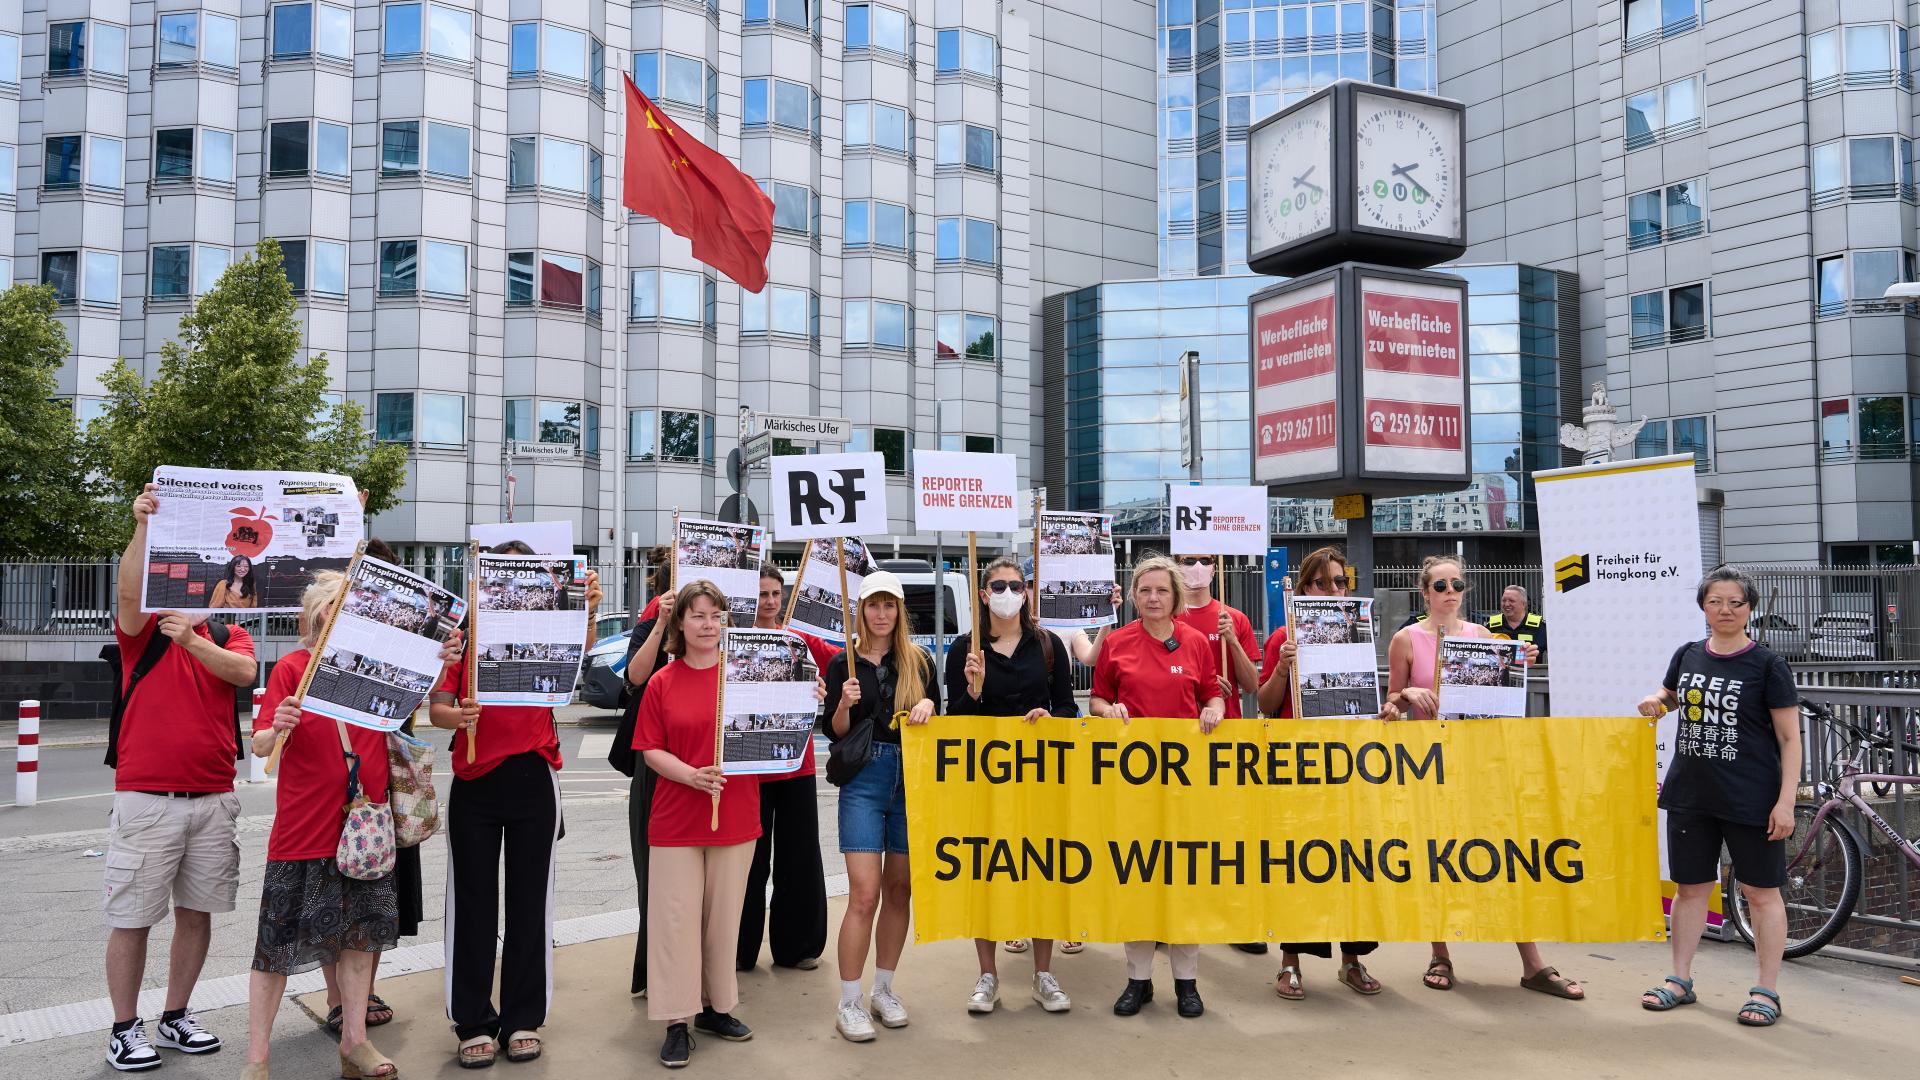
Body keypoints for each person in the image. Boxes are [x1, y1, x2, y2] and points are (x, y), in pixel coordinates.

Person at [243, 571, 459, 1080]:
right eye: (335, 611)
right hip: (303, 830)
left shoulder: (380, 670)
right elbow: (258, 745)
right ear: (318, 617)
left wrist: (442, 660)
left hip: (367, 829)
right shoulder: (294, 669)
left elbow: (427, 686)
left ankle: (355, 1043)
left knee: (361, 943)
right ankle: (257, 1058)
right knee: (274, 948)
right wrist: (277, 728)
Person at [429, 540, 602, 1068]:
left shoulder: (550, 629)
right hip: (475, 781)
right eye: (498, 580)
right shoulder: (464, 638)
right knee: (472, 904)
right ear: (485, 584)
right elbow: (436, 707)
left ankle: (523, 1017)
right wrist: (455, 718)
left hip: (533, 776)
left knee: (531, 903)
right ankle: (472, 1020)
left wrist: (588, 610)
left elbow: (574, 669)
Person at [103, 484, 257, 1072]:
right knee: (133, 916)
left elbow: (243, 673)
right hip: (147, 795)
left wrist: (194, 638)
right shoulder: (140, 628)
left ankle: (175, 1015)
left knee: (198, 912)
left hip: (214, 794)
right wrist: (142, 524)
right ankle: (124, 1028)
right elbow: (125, 588)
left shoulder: (223, 630)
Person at [1382, 555, 1577, 1000]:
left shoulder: (1482, 636)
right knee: (1438, 862)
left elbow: (1500, 695)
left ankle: (1532, 963)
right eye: (1440, 585)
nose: (1450, 591)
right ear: (1424, 591)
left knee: (1502, 859)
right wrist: (1406, 694)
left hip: (1478, 766)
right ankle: (1440, 954)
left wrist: (1522, 658)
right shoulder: (1405, 640)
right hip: (1429, 768)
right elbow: (1390, 704)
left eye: (1457, 585)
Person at [1637, 565, 1799, 1027]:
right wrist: (1655, 701)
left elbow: (1790, 739)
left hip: (1752, 798)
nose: (1725, 610)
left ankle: (1767, 990)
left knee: (1761, 893)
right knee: (1690, 890)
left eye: (1735, 602)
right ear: (1703, 607)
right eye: (1715, 601)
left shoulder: (1768, 665)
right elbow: (1669, 697)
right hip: (1690, 794)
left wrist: (1785, 801)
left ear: (1750, 608)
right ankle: (1678, 980)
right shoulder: (1688, 653)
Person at [633, 581, 784, 1067]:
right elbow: (650, 749)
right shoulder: (662, 681)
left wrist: (809, 695)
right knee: (674, 922)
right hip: (676, 818)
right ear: (680, 622)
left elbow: (779, 727)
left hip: (736, 815)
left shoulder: (746, 677)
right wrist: (692, 777)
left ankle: (717, 1008)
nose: (707, 624)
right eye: (697, 615)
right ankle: (677, 1019)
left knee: (724, 920)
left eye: (715, 615)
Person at [943, 555, 1080, 1015]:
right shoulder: (965, 649)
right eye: (997, 585)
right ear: (983, 594)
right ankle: (988, 974)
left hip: (1041, 778)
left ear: (1026, 591)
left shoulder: (1048, 646)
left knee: (1043, 870)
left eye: (1015, 585)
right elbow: (954, 722)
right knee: (987, 871)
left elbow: (1068, 709)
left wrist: (1048, 716)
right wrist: (973, 693)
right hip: (985, 782)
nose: (1007, 592)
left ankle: (1043, 973)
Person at [1090, 555, 1224, 1020]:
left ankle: (1187, 983)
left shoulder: (1195, 643)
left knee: (1184, 880)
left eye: (1161, 590)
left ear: (1175, 595)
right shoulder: (1117, 644)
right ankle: (1138, 980)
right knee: (1138, 878)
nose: (1152, 598)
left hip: (1185, 785)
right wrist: (1109, 713)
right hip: (1132, 784)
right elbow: (1098, 698)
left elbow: (1212, 692)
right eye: (1144, 590)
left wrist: (1215, 709)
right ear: (1133, 596)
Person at [1253, 545, 1384, 998]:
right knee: (1299, 864)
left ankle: (1353, 960)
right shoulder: (1282, 638)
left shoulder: (1357, 631)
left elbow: (1366, 698)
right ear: (1305, 587)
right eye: (1323, 582)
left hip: (1349, 767)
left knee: (1352, 863)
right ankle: (1290, 963)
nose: (1334, 589)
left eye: (1341, 582)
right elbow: (1265, 706)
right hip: (1299, 769)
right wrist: (1283, 668)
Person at [821, 571, 938, 1042]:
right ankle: (849, 1000)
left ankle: (884, 989)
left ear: (900, 611)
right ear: (861, 609)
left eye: (890, 605)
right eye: (874, 604)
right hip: (865, 780)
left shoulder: (919, 660)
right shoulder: (841, 662)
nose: (882, 613)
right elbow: (835, 733)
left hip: (911, 780)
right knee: (864, 894)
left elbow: (938, 724)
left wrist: (928, 704)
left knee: (900, 889)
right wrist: (844, 703)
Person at [737, 564, 835, 973]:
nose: (770, 601)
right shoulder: (731, 641)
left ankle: (797, 948)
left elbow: (850, 662)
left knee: (798, 858)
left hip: (796, 764)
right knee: (747, 862)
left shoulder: (803, 641)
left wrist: (826, 687)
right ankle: (738, 950)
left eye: (776, 593)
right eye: (762, 594)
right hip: (748, 767)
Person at [1172, 554, 1262, 953]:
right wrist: (1206, 688)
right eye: (1187, 560)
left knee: (1231, 836)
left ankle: (1235, 921)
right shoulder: (1167, 617)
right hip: (1181, 744)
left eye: (1205, 560)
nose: (1196, 567)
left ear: (1215, 567)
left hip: (1229, 741)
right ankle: (1172, 920)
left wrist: (1230, 643)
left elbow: (1253, 684)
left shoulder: (1234, 618)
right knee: (1180, 835)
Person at [611, 550, 677, 997]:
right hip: (654, 771)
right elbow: (634, 676)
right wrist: (660, 624)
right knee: (653, 875)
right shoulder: (651, 629)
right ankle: (654, 973)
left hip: (704, 768)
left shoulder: (720, 636)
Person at [1487, 585, 1547, 663]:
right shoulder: (1492, 626)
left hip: (1531, 673)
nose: (1506, 604)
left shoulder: (1539, 627)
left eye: (1511, 601)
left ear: (1523, 604)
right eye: (1504, 600)